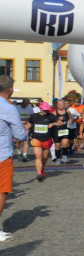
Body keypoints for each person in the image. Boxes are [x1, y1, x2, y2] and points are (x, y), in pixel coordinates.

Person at [0, 76, 28, 241]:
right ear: (10, 90)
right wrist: (26, 129)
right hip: (2, 155)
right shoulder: (8, 108)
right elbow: (20, 135)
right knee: (2, 191)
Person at [27, 101, 56, 181]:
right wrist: (26, 131)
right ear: (40, 108)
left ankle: (43, 167)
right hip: (36, 138)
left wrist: (53, 124)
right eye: (45, 110)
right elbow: (29, 124)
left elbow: (60, 122)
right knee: (38, 156)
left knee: (45, 157)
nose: (46, 111)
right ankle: (39, 173)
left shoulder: (51, 116)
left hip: (47, 138)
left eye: (47, 110)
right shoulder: (33, 116)